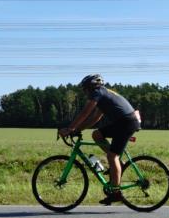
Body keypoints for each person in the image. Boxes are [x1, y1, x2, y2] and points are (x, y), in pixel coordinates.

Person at [58, 75, 140, 205]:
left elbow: (85, 112)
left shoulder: (98, 92)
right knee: (97, 135)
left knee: (112, 156)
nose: (85, 92)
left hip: (126, 123)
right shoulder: (103, 95)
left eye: (85, 89)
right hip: (125, 122)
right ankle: (119, 164)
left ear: (91, 87)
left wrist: (70, 128)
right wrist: (78, 129)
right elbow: (94, 119)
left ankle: (116, 192)